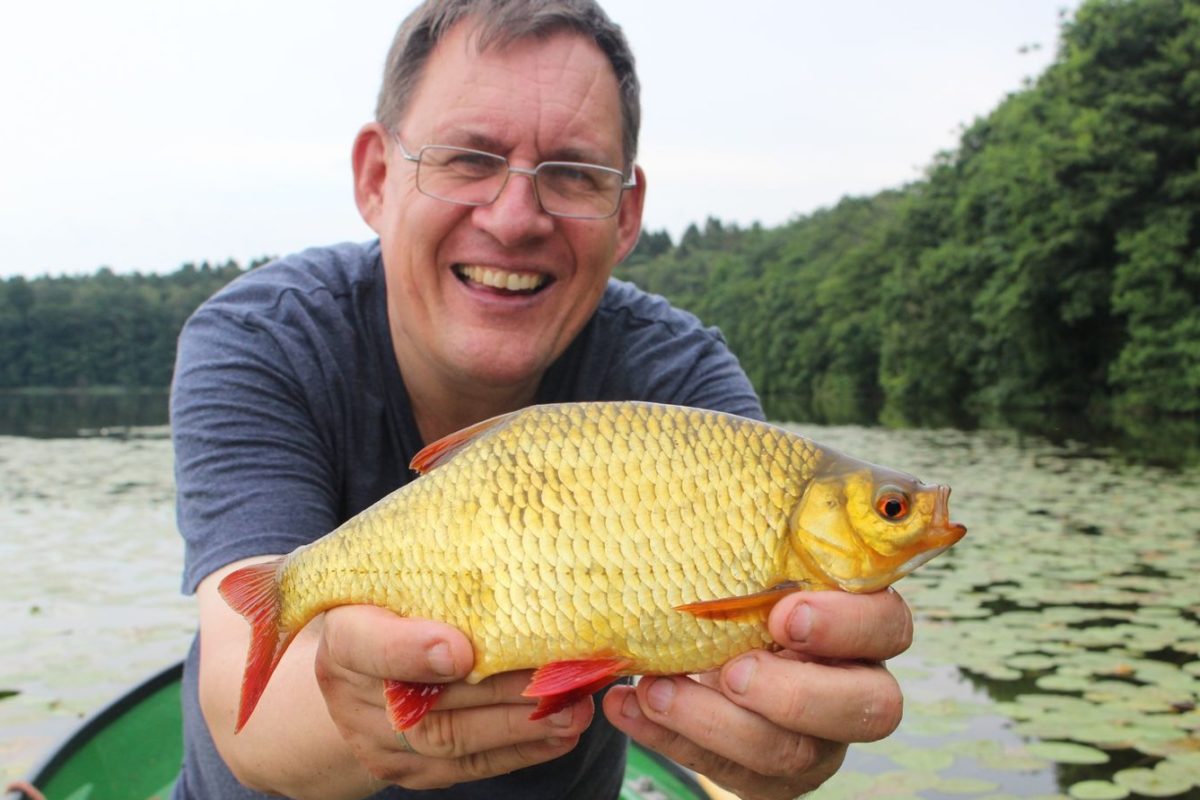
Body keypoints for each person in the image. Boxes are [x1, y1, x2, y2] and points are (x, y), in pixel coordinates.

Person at [169, 1, 912, 798]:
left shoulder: (683, 385)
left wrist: (777, 730)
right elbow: (246, 717)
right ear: (377, 179)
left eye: (574, 174)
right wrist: (355, 709)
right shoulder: (262, 339)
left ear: (626, 212)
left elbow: (751, 671)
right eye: (467, 158)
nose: (515, 218)